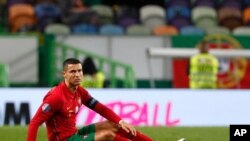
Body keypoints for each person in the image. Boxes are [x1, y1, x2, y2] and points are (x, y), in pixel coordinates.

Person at [27, 58, 153, 141]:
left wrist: (120, 121)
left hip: (75, 135)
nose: (77, 74)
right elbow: (35, 122)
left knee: (113, 125)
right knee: (107, 135)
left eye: (79, 71)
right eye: (72, 71)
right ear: (64, 74)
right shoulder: (56, 97)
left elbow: (100, 108)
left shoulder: (80, 91)